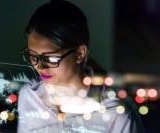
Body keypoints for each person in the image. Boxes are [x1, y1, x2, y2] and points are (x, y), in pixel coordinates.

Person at [17, 0, 145, 133]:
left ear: (79, 54)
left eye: (51, 58)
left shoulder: (114, 113)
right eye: (33, 57)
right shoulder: (30, 97)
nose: (40, 67)